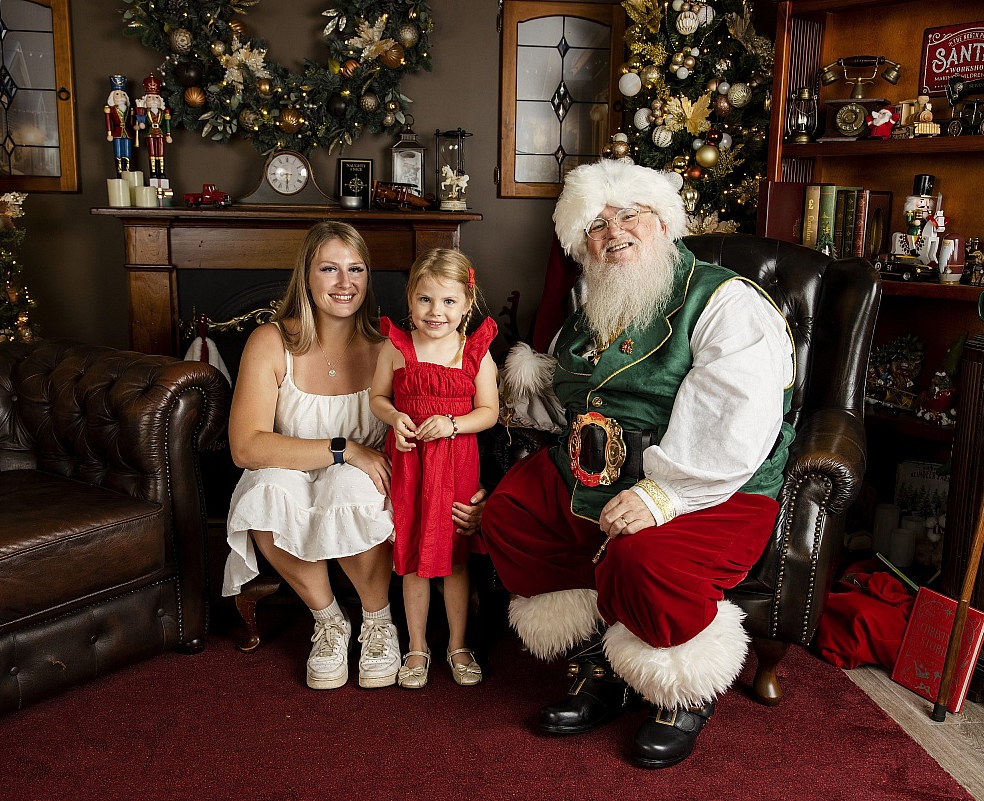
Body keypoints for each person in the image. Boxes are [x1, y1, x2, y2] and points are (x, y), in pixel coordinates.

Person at [481, 159, 796, 768]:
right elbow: (572, 397)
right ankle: (605, 657)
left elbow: (736, 417)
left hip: (709, 484)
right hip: (597, 473)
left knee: (642, 555)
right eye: (596, 224)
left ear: (664, 222)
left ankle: (679, 685)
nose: (614, 232)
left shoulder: (726, 301)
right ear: (580, 242)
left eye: (630, 214)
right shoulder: (593, 304)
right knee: (512, 514)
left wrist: (663, 495)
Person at [223, 221, 486, 691]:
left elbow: (456, 415)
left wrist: (473, 490)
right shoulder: (271, 341)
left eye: (356, 269)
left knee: (349, 485)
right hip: (293, 470)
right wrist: (344, 450)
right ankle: (328, 620)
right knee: (265, 490)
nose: (345, 284)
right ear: (306, 275)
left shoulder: (391, 346)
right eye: (329, 269)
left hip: (372, 478)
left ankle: (377, 619)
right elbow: (246, 447)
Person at [370, 249, 499, 688]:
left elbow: (489, 413)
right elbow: (378, 399)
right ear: (410, 301)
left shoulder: (475, 353)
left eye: (447, 301)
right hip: (411, 463)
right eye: (425, 300)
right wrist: (394, 418)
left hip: (457, 465)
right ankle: (417, 646)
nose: (435, 312)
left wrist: (453, 424)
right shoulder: (396, 348)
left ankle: (458, 644)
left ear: (467, 302)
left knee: (455, 559)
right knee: (410, 559)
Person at [135, 73, 172, 184]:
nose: (153, 100)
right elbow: (141, 121)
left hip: (160, 133)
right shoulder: (145, 112)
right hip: (150, 133)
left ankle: (161, 172)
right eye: (150, 98)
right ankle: (153, 172)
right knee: (152, 153)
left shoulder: (163, 112)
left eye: (155, 97)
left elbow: (167, 123)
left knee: (160, 153)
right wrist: (140, 124)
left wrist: (168, 134)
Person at [104, 75, 133, 175]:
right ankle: (119, 171)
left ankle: (127, 170)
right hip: (116, 132)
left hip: (127, 132)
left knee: (127, 152)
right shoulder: (110, 109)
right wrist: (109, 133)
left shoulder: (129, 109)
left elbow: (131, 121)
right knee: (118, 152)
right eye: (117, 94)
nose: (121, 97)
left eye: (123, 95)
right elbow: (108, 121)